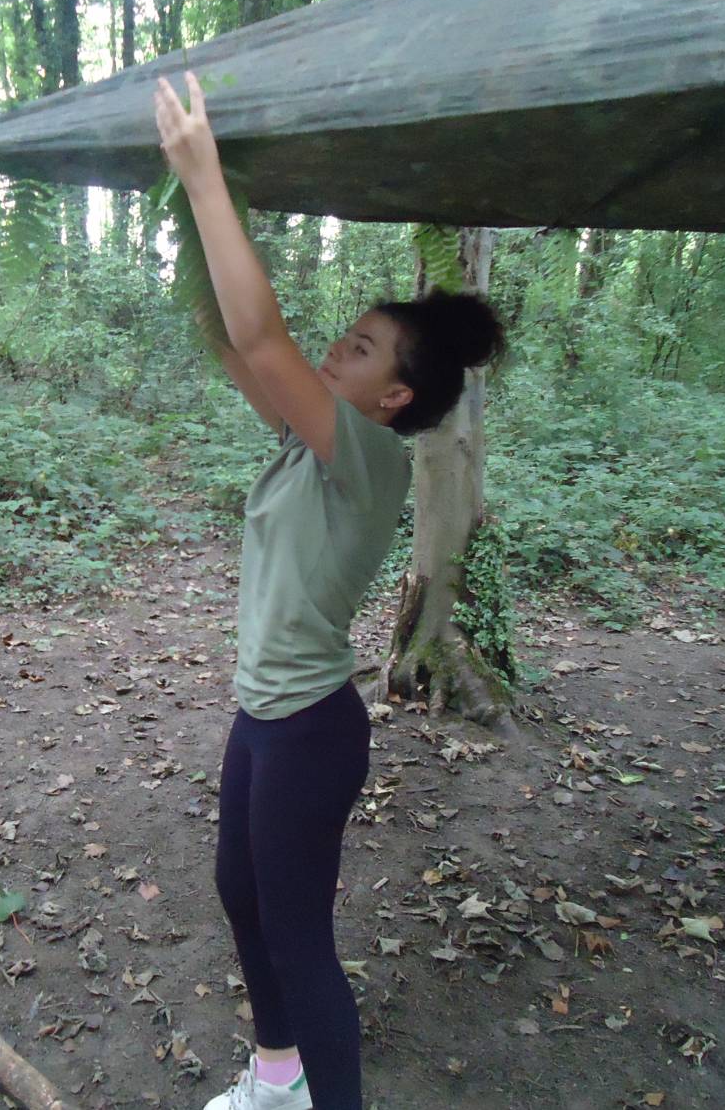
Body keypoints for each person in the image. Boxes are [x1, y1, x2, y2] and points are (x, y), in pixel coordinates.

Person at [153, 74, 504, 1110]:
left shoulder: (372, 460)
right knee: (240, 892)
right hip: (261, 716)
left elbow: (263, 340)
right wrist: (188, 219)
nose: (332, 351)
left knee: (301, 938)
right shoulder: (310, 443)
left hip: (309, 730)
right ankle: (277, 1082)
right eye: (342, 336)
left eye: (356, 349)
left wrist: (205, 176)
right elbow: (234, 341)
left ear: (393, 395)